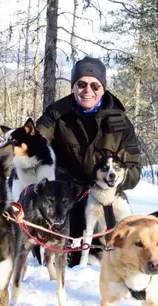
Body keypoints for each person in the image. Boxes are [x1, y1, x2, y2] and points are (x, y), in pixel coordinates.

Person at [36, 56, 142, 266]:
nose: (87, 90)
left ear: (103, 88)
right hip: (69, 192)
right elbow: (37, 141)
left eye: (95, 85)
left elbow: (134, 170)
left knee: (125, 237)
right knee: (70, 257)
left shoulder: (120, 121)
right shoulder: (56, 113)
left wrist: (112, 181)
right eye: (81, 84)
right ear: (74, 86)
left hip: (107, 191)